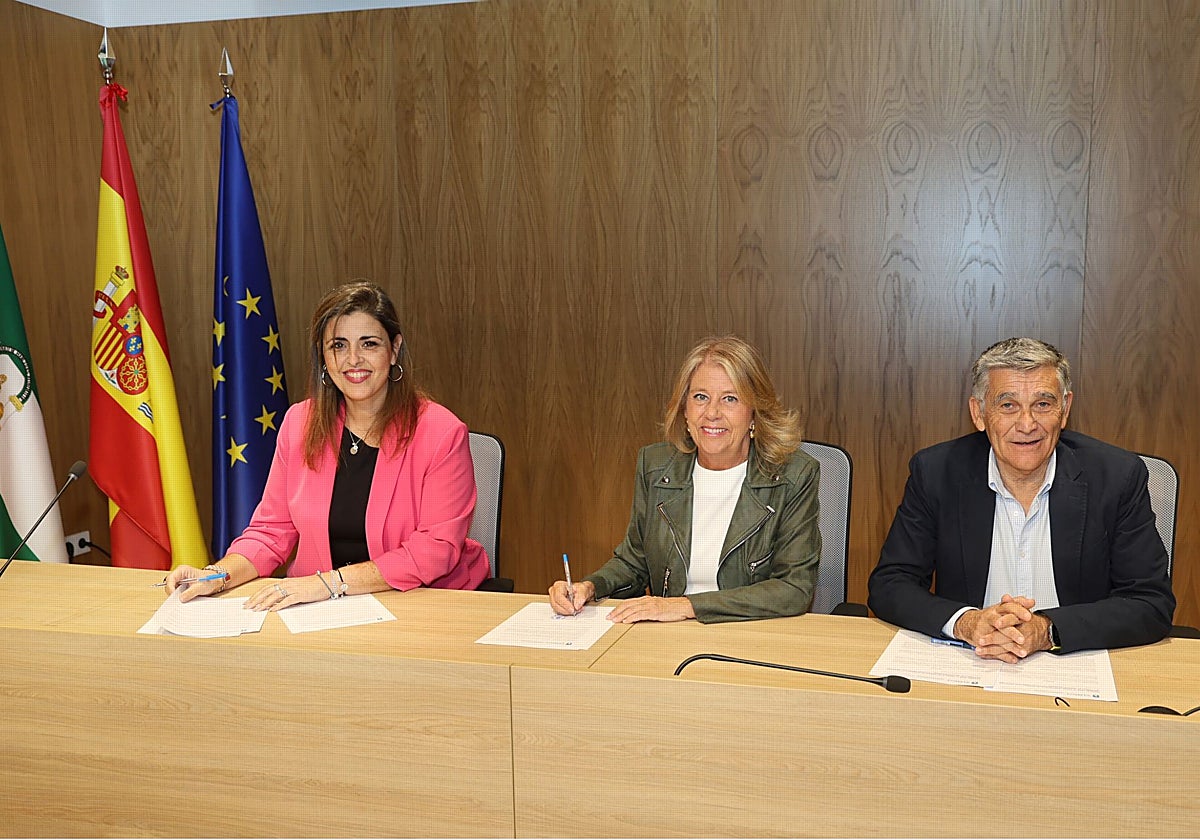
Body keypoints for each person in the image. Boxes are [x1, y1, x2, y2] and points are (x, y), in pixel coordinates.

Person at [165, 281, 489, 606]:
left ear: (394, 350)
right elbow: (271, 532)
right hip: (320, 610)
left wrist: (329, 584)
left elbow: (435, 550)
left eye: (369, 344)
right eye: (338, 346)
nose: (353, 359)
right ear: (323, 356)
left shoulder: (441, 433)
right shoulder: (300, 423)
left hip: (421, 603)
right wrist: (215, 576)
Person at [868, 337, 1175, 661]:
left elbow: (1150, 603)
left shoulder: (1116, 477)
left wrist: (1047, 630)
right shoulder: (936, 473)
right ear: (979, 413)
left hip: (1073, 664)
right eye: (1008, 405)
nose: (1027, 425)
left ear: (1065, 409)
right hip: (971, 661)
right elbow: (890, 584)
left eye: (1042, 404)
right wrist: (967, 623)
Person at [549, 335, 821, 623]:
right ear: (685, 409)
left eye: (730, 398)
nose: (712, 413)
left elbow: (794, 588)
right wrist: (590, 587)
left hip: (751, 633)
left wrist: (687, 606)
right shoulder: (657, 468)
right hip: (670, 635)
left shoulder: (793, 476)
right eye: (700, 397)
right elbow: (635, 562)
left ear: (754, 412)